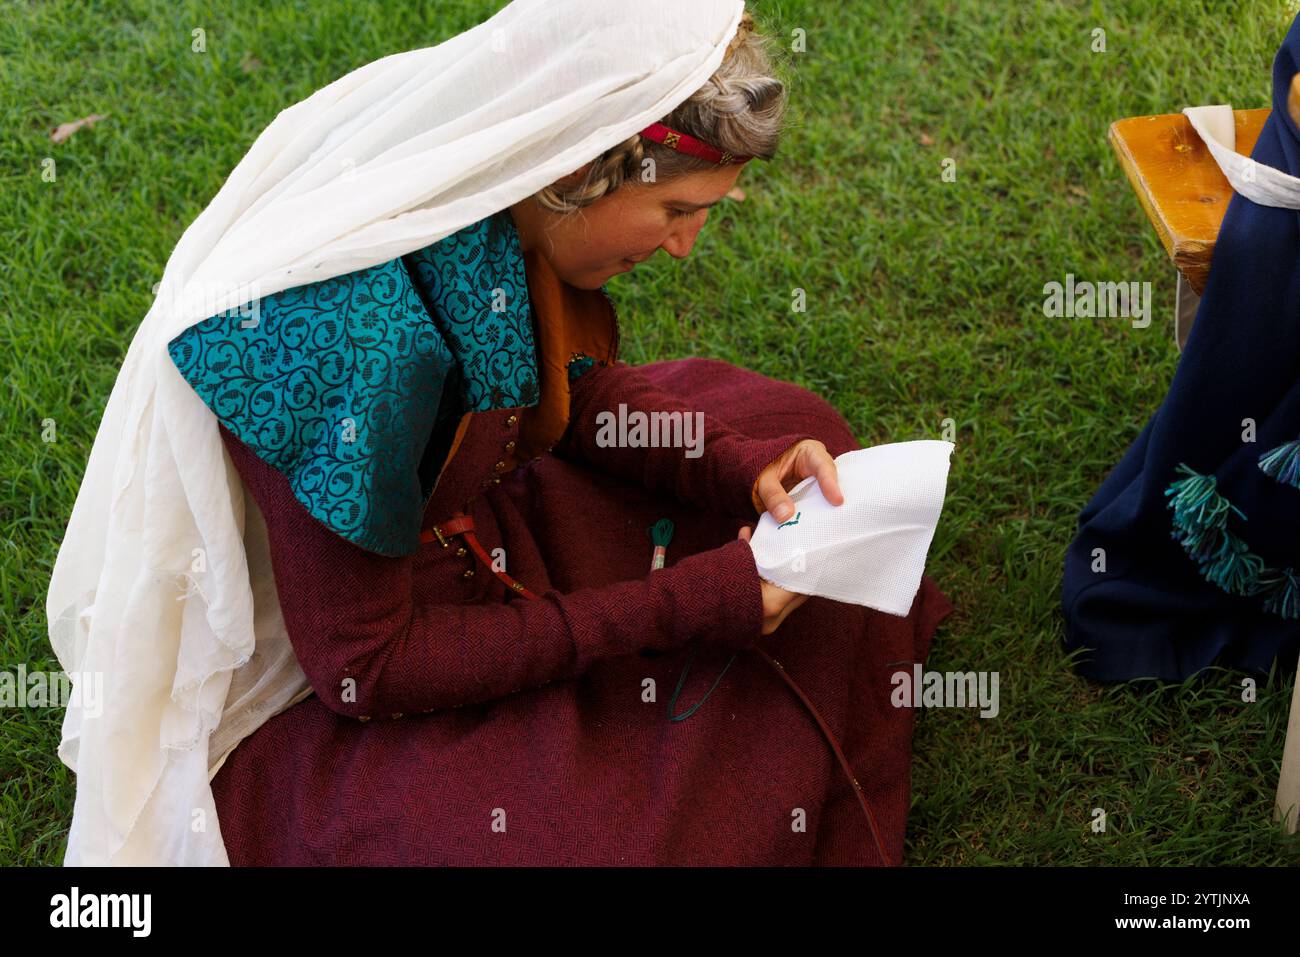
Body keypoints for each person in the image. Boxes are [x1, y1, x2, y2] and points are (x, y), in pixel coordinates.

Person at [47, 0, 954, 866]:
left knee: (800, 437)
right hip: (361, 667)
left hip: (476, 517)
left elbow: (558, 394)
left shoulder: (501, 188)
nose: (686, 247)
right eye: (678, 212)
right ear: (581, 172)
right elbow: (367, 670)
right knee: (584, 842)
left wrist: (734, 468)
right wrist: (686, 602)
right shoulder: (358, 349)